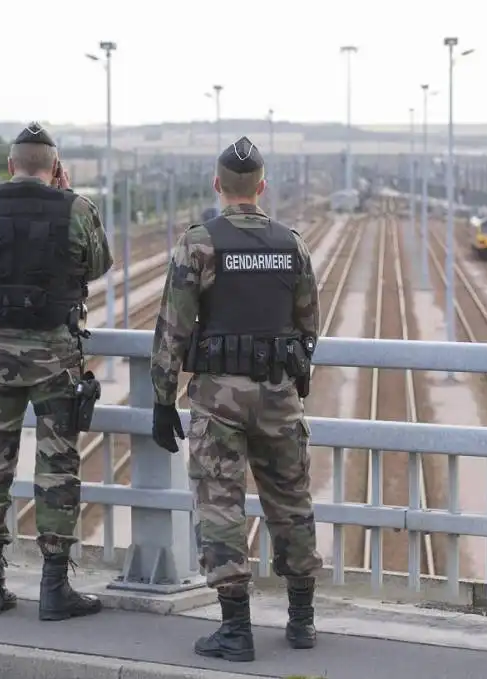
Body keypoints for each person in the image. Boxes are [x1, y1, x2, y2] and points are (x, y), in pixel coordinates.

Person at [150, 136, 323, 662]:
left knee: (220, 505)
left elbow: (173, 328)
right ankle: (301, 621)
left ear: (217, 185)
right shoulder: (291, 244)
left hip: (218, 399)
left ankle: (235, 629)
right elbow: (308, 322)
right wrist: (297, 378)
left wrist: (162, 398)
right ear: (262, 187)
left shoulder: (199, 243)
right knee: (291, 502)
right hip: (278, 395)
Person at [0, 122, 113, 622]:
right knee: (57, 469)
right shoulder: (77, 209)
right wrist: (68, 198)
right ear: (56, 169)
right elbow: (99, 264)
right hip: (56, 360)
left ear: (10, 165)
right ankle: (55, 588)